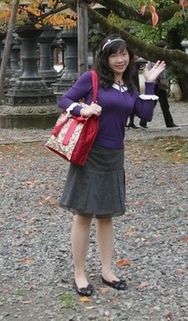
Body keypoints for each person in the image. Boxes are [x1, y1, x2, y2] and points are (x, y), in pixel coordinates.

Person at [56, 35, 165, 297]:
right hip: (91, 152)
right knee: (83, 213)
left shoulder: (127, 85)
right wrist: (83, 111)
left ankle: (107, 269)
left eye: (124, 54)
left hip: (115, 155)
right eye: (114, 55)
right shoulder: (92, 79)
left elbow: (145, 115)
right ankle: (79, 273)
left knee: (106, 215)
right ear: (105, 58)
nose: (120, 59)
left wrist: (149, 84)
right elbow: (64, 100)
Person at [140, 40, 177, 129]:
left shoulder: (152, 57)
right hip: (157, 84)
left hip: (155, 84)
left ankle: (143, 122)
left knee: (157, 104)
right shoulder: (156, 58)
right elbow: (159, 72)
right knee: (162, 105)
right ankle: (169, 123)